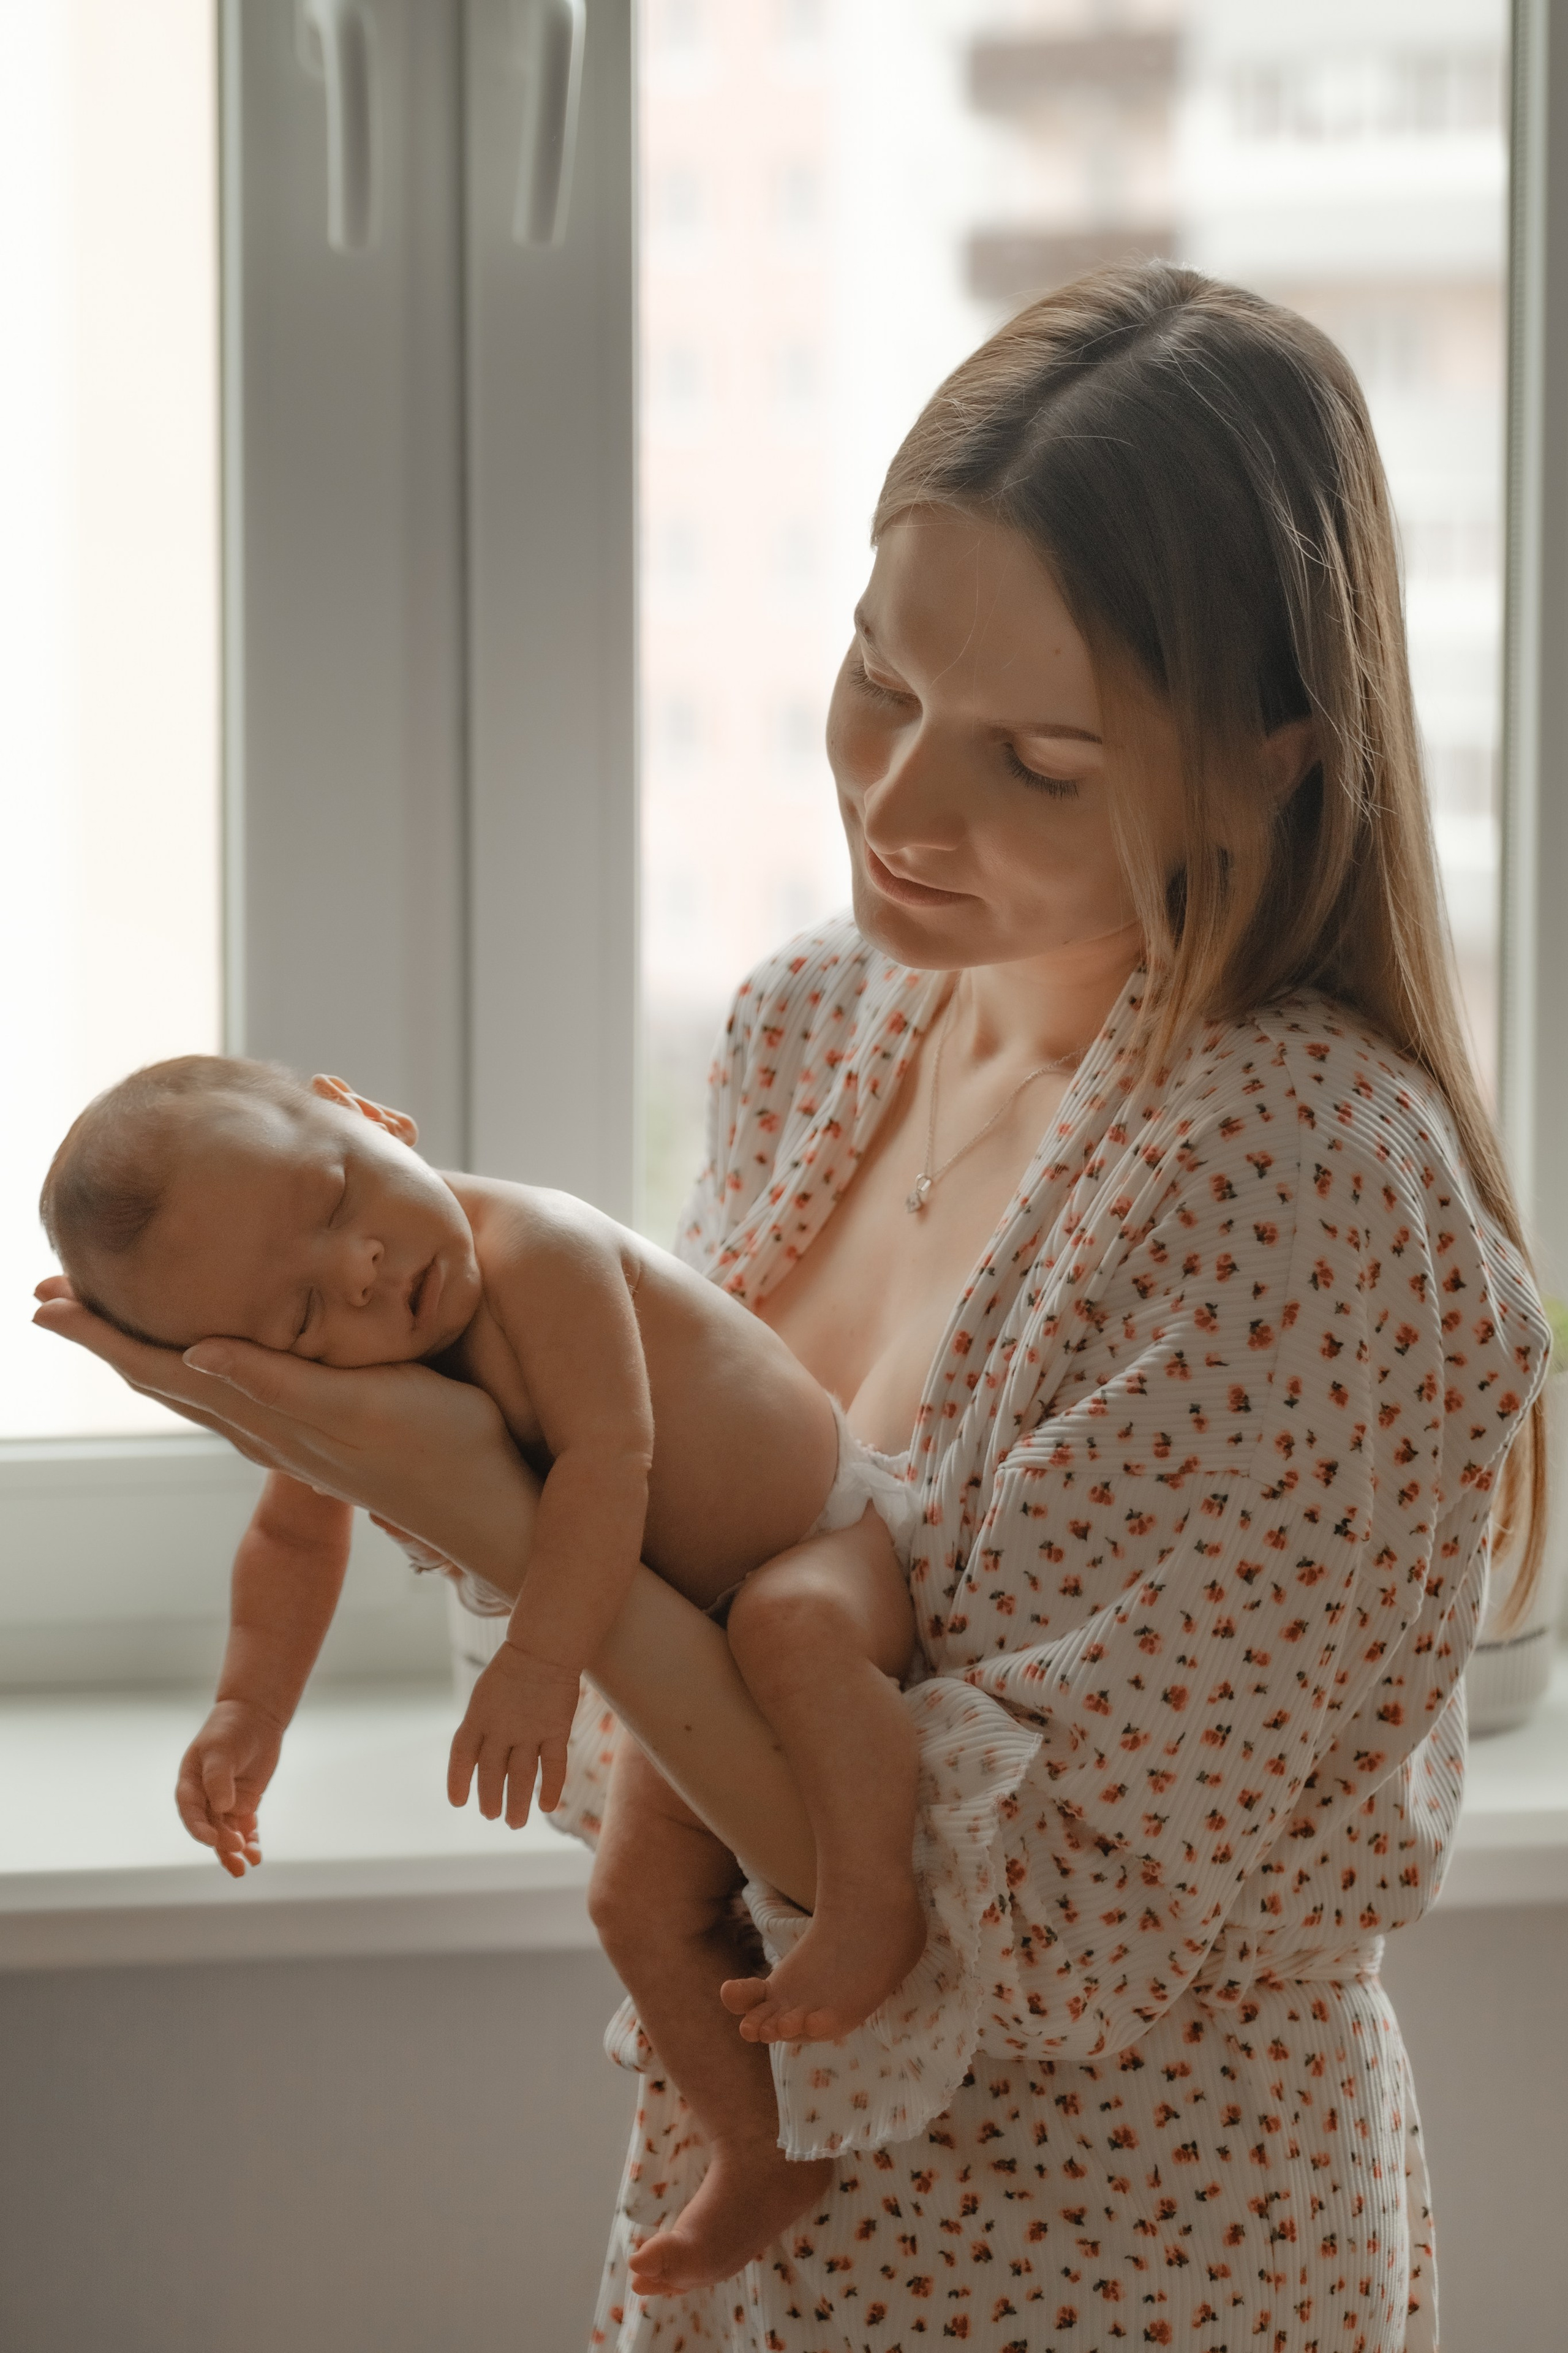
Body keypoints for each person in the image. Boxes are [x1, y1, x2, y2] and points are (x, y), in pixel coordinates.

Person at [36, 263, 1551, 2352]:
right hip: (758, 2245)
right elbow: (650, 1713)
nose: (902, 810)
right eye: (877, 676)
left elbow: (1039, 1949)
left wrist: (484, 1511)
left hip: (1132, 2263)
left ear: (1261, 765)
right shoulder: (814, 1030)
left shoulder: (1298, 1189)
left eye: (1037, 760)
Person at [39, 1052, 935, 2288]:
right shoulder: (370, 1379)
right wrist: (248, 1707)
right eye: (301, 1318)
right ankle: (762, 2146)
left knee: (795, 1637)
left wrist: (534, 1662)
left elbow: (607, 1463)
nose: (359, 1270)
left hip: (820, 1546)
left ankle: (874, 1897)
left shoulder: (541, 1249)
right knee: (632, 1901)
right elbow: (295, 1534)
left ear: (363, 1111)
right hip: (694, 1639)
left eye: (334, 1195)